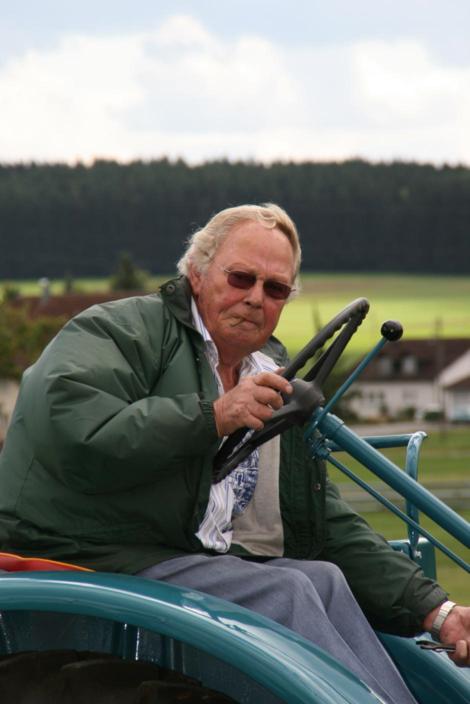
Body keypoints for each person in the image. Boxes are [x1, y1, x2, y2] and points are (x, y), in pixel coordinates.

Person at [0, 203, 469, 703]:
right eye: (241, 278)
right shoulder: (120, 332)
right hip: (89, 549)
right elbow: (75, 430)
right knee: (283, 591)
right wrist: (214, 416)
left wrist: (436, 611)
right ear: (197, 273)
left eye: (275, 288)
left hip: (179, 556)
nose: (255, 297)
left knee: (323, 579)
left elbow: (321, 524)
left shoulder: (269, 374)